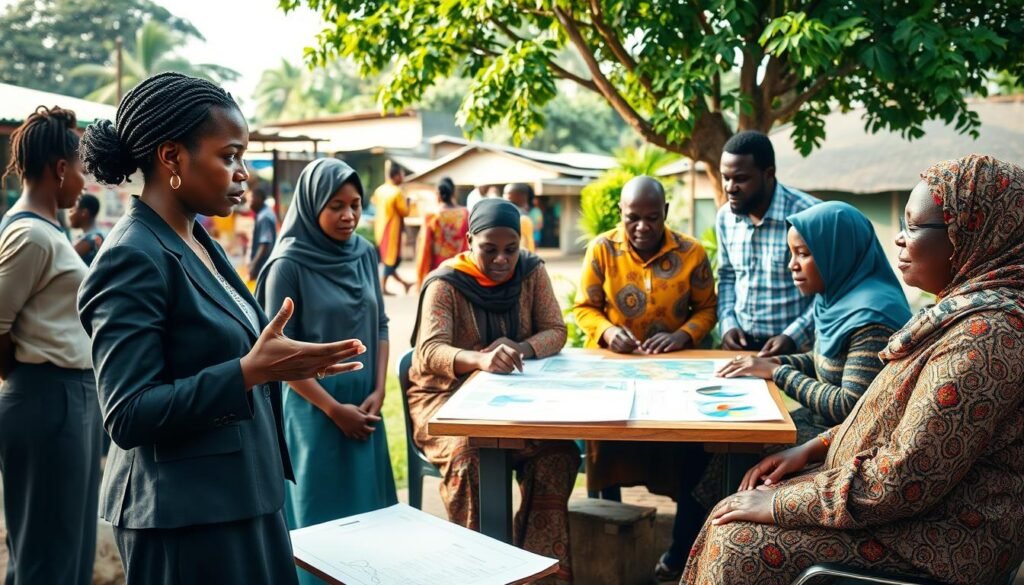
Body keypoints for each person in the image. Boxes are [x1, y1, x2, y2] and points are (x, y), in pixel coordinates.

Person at [76, 72, 366, 585]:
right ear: (171, 158)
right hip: (184, 517)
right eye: (228, 156)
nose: (241, 174)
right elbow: (127, 413)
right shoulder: (132, 256)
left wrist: (279, 360)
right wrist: (247, 373)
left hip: (242, 495)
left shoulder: (196, 240)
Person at [682, 155, 1024, 585]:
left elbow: (904, 479)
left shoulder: (985, 336)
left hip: (943, 538)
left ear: (973, 232)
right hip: (912, 512)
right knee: (734, 499)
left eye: (916, 226)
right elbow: (886, 414)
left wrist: (780, 504)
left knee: (736, 539)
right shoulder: (959, 316)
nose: (899, 239)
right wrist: (816, 448)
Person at [408, 199, 579, 584]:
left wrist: (521, 348)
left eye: (510, 249)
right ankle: (478, 570)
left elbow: (556, 329)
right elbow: (429, 351)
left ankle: (537, 570)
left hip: (516, 398)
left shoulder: (531, 272)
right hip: (446, 400)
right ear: (469, 241)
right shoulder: (445, 283)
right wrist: (478, 360)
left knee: (558, 453)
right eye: (489, 249)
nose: (502, 259)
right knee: (473, 457)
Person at [255, 157, 396, 585]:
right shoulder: (287, 265)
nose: (349, 215)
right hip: (314, 413)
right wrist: (335, 409)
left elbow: (383, 324)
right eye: (336, 205)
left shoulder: (365, 253)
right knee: (320, 524)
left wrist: (378, 390)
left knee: (371, 521)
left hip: (366, 409)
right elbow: (275, 356)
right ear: (312, 203)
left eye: (355, 204)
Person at [572, 175, 717, 581]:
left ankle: (681, 549)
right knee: (609, 448)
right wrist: (605, 330)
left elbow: (707, 309)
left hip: (675, 375)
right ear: (621, 213)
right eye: (632, 218)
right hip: (614, 372)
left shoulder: (691, 253)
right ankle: (610, 536)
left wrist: (682, 334)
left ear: (665, 214)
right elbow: (584, 306)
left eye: (651, 218)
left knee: (688, 455)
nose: (641, 227)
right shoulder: (602, 249)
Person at [0, 106, 101, 585]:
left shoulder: (49, 232)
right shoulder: (30, 236)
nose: (84, 181)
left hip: (67, 397)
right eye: (81, 168)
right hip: (47, 398)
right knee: (46, 552)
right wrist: (25, 379)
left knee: (70, 544)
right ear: (60, 169)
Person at [716, 201, 911, 439]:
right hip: (820, 426)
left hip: (840, 441)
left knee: (739, 448)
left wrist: (777, 372)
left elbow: (849, 406)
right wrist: (773, 361)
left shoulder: (873, 318)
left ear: (838, 253)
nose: (792, 265)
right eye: (791, 253)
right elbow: (827, 361)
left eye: (803, 254)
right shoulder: (836, 299)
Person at [717, 130, 820, 356]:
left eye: (741, 178)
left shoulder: (808, 215)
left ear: (768, 173)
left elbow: (828, 289)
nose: (730, 187)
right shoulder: (725, 217)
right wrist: (727, 323)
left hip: (797, 352)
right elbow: (726, 276)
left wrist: (793, 336)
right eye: (725, 177)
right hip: (739, 349)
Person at [414, 176, 469, 288]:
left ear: (437, 195)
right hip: (461, 268)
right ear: (454, 193)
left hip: (438, 271)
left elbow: (424, 246)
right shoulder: (465, 214)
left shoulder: (432, 216)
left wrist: (421, 274)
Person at [372, 160, 413, 295]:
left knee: (389, 259)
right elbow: (404, 212)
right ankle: (382, 288)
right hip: (392, 229)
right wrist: (409, 202)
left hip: (380, 228)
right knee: (391, 259)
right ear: (395, 176)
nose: (403, 177)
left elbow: (374, 202)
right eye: (402, 174)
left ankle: (404, 283)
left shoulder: (380, 190)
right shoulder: (396, 193)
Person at [247, 184, 276, 281]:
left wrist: (253, 264)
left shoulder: (264, 217)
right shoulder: (263, 213)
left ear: (258, 198)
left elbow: (265, 243)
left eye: (250, 199)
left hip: (263, 268)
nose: (249, 203)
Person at [69, 193, 106, 265]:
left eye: (72, 210)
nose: (70, 215)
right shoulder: (95, 236)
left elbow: (64, 260)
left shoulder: (90, 239)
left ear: (84, 213)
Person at [502, 182, 536, 252]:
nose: (503, 196)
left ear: (519, 196)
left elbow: (527, 244)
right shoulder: (522, 215)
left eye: (506, 193)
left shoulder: (521, 217)